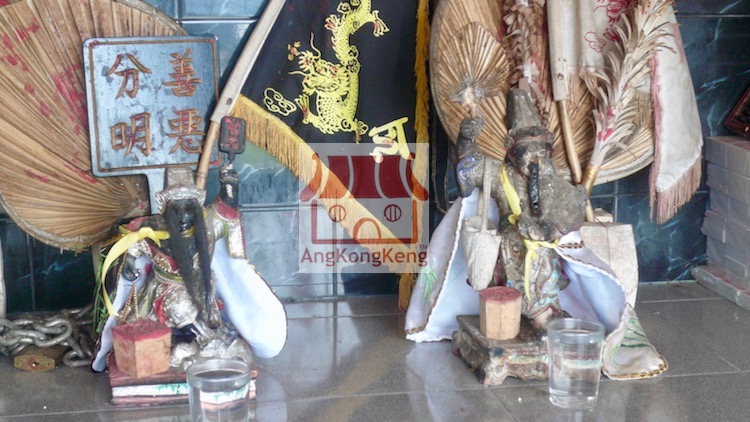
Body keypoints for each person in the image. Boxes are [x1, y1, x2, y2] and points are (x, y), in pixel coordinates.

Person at [92, 166, 287, 372]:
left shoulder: (208, 226)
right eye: (176, 210)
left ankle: (207, 342)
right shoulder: (152, 227)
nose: (184, 215)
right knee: (134, 326)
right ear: (166, 208)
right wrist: (130, 262)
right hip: (159, 289)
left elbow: (226, 209)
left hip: (198, 290)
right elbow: (135, 243)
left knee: (185, 310)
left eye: (189, 208)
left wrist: (229, 182)